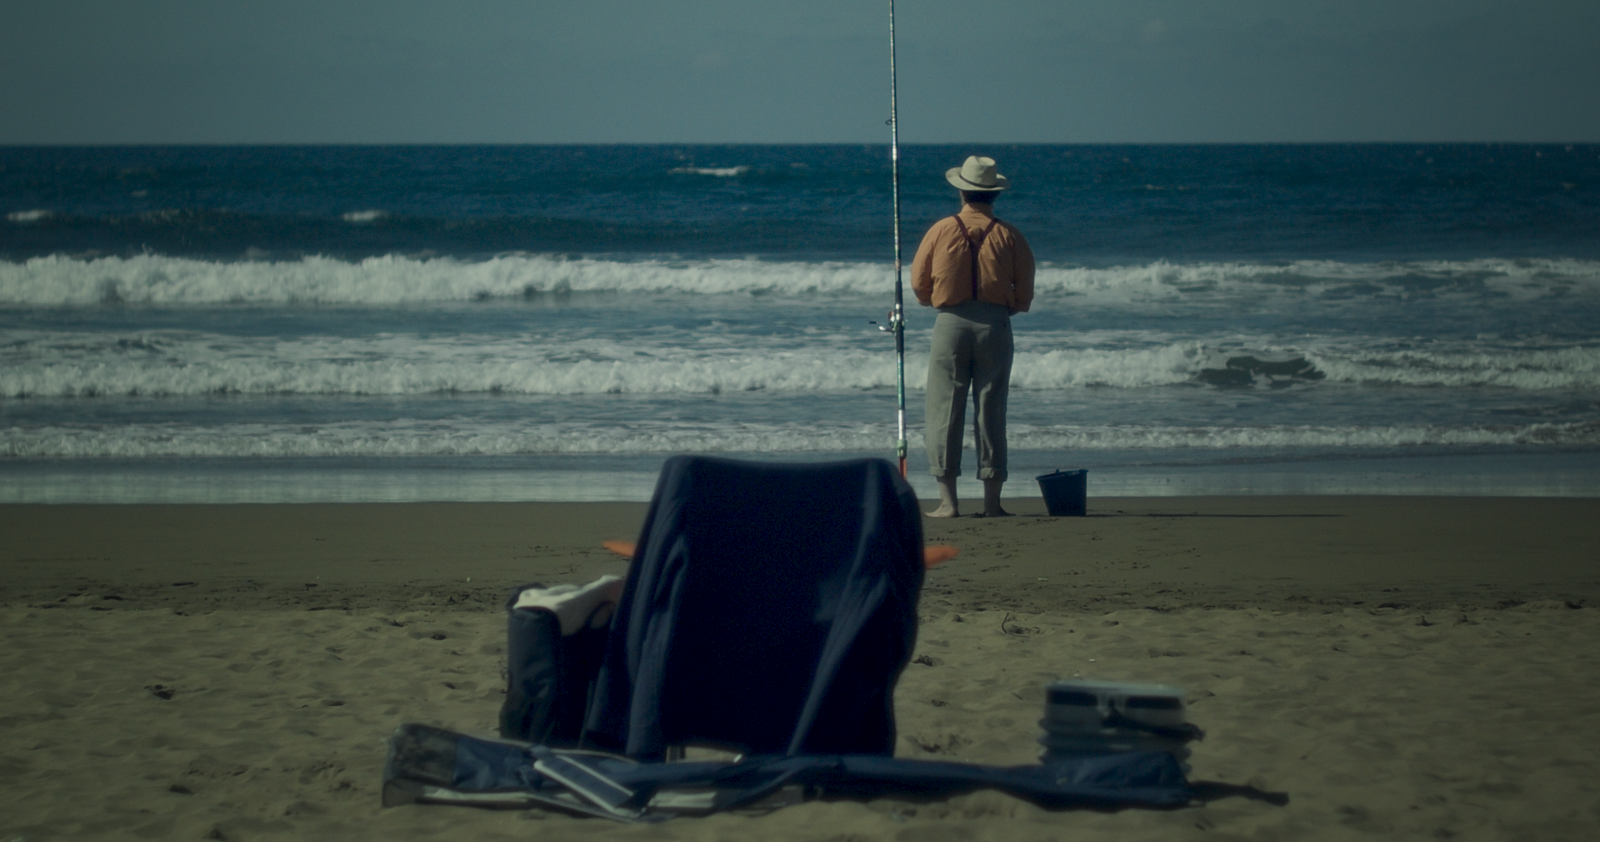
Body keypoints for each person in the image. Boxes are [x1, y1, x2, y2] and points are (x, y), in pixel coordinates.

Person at [911, 156, 1035, 518]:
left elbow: (919, 283)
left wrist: (934, 300)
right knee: (991, 410)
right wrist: (1006, 307)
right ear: (994, 194)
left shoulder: (940, 230)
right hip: (995, 324)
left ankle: (948, 503)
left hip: (950, 323)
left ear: (962, 192)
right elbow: (1025, 290)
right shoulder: (1010, 235)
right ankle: (992, 502)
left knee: (944, 409)